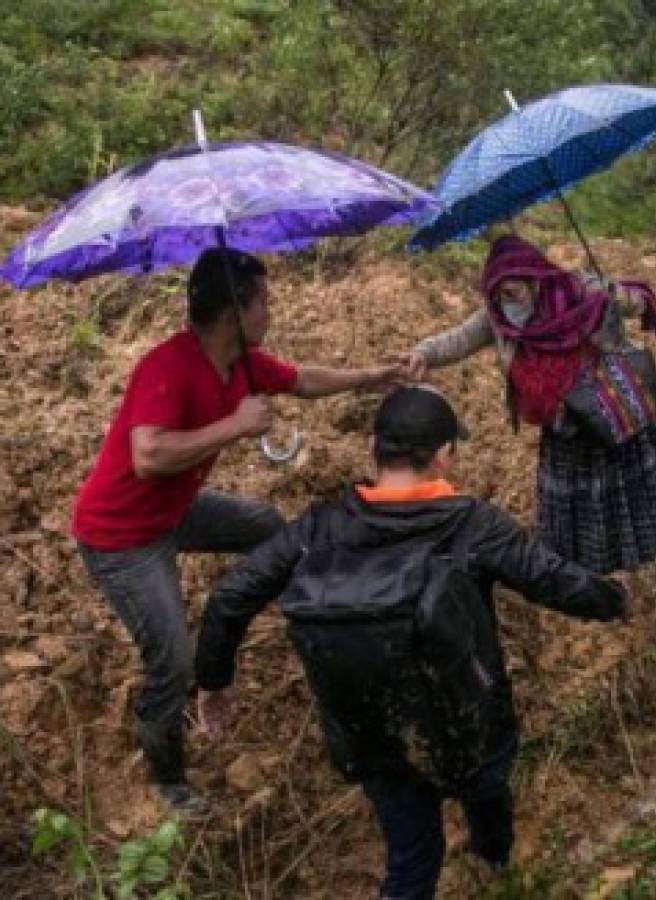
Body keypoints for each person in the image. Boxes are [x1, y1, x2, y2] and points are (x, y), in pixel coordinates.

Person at [193, 385, 628, 900]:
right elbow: (553, 580)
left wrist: (214, 681)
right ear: (444, 455)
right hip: (470, 722)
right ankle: (496, 861)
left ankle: (465, 862)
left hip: (372, 731)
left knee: (411, 858)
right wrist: (616, 600)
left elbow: (231, 597)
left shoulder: (322, 525)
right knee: (487, 792)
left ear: (374, 447)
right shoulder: (471, 525)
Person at [73, 247, 408, 813]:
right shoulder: (167, 366)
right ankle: (168, 778)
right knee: (174, 662)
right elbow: (148, 455)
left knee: (269, 529)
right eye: (264, 305)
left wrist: (378, 376)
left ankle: (290, 621)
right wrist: (233, 425)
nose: (270, 316)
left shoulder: (241, 362)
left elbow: (302, 380)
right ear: (235, 312)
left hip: (173, 510)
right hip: (122, 536)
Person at [401, 235, 656, 574]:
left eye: (517, 287)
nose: (511, 298)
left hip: (607, 411)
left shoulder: (578, 290)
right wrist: (422, 353)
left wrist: (613, 295)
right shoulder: (497, 316)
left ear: (535, 277)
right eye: (503, 291)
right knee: (577, 504)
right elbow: (458, 339)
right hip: (564, 424)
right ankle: (582, 574)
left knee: (621, 493)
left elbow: (636, 303)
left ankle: (640, 565)